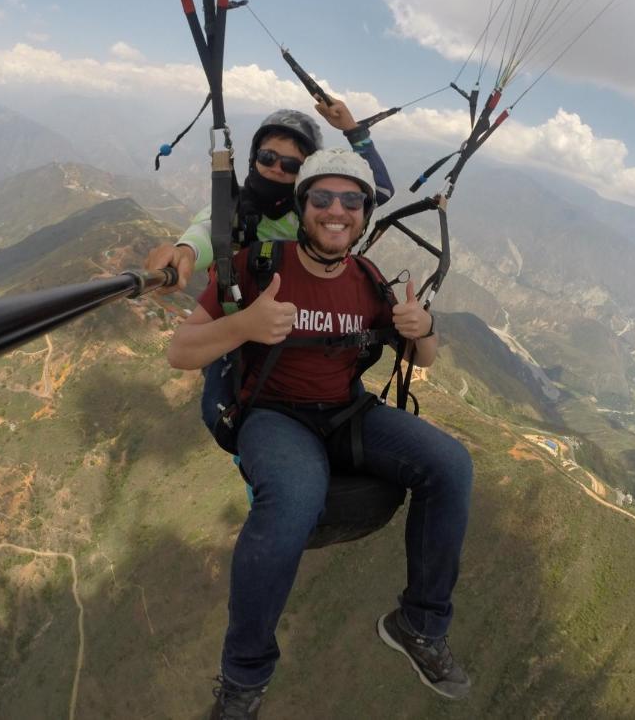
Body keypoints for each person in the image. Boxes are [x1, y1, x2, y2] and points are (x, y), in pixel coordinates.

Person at [168, 148, 473, 719]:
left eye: (352, 200)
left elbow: (423, 358)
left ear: (363, 213)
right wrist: (246, 324)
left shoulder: (367, 278)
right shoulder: (257, 263)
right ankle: (242, 683)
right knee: (294, 497)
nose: (338, 211)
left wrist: (423, 329)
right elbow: (180, 352)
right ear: (303, 207)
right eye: (323, 198)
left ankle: (420, 625)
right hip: (272, 415)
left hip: (345, 411)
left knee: (451, 466)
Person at [145, 99, 394, 289]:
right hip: (236, 322)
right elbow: (209, 230)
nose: (276, 168)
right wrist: (185, 252)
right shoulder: (234, 205)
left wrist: (353, 130)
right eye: (268, 157)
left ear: (304, 173)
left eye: (291, 165)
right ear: (255, 159)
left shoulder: (316, 208)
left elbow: (378, 191)